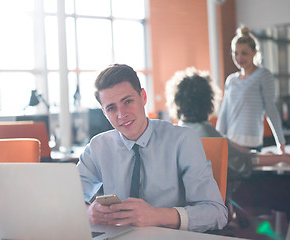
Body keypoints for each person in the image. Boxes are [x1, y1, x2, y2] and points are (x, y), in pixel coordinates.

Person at [77, 64, 228, 233]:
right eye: (111, 108)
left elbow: (216, 213)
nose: (122, 114)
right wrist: (88, 211)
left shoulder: (183, 140)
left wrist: (157, 215)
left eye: (127, 101)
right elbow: (68, 197)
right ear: (104, 112)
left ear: (143, 97)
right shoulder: (98, 147)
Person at [165, 67, 290, 220]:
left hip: (189, 204)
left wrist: (261, 154)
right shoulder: (206, 132)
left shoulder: (180, 129)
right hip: (223, 199)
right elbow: (244, 161)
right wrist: (282, 158)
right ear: (208, 100)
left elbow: (229, 146)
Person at [216, 26, 286, 154]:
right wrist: (217, 143)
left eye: (244, 53)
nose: (239, 58)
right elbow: (224, 114)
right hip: (231, 142)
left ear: (254, 52)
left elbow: (271, 110)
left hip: (252, 142)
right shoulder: (231, 80)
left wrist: (280, 144)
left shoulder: (263, 75)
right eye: (235, 53)